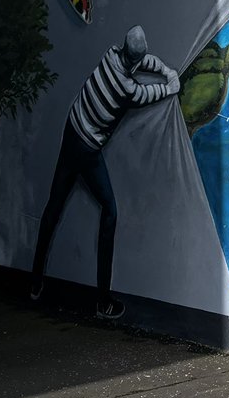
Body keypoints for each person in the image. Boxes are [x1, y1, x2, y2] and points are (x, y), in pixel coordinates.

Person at [29, 25, 179, 319]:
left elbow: (140, 62)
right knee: (110, 211)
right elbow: (151, 93)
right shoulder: (127, 90)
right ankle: (103, 301)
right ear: (133, 58)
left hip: (71, 130)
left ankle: (35, 281)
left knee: (53, 207)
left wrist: (163, 68)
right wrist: (170, 83)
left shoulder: (110, 54)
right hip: (86, 151)